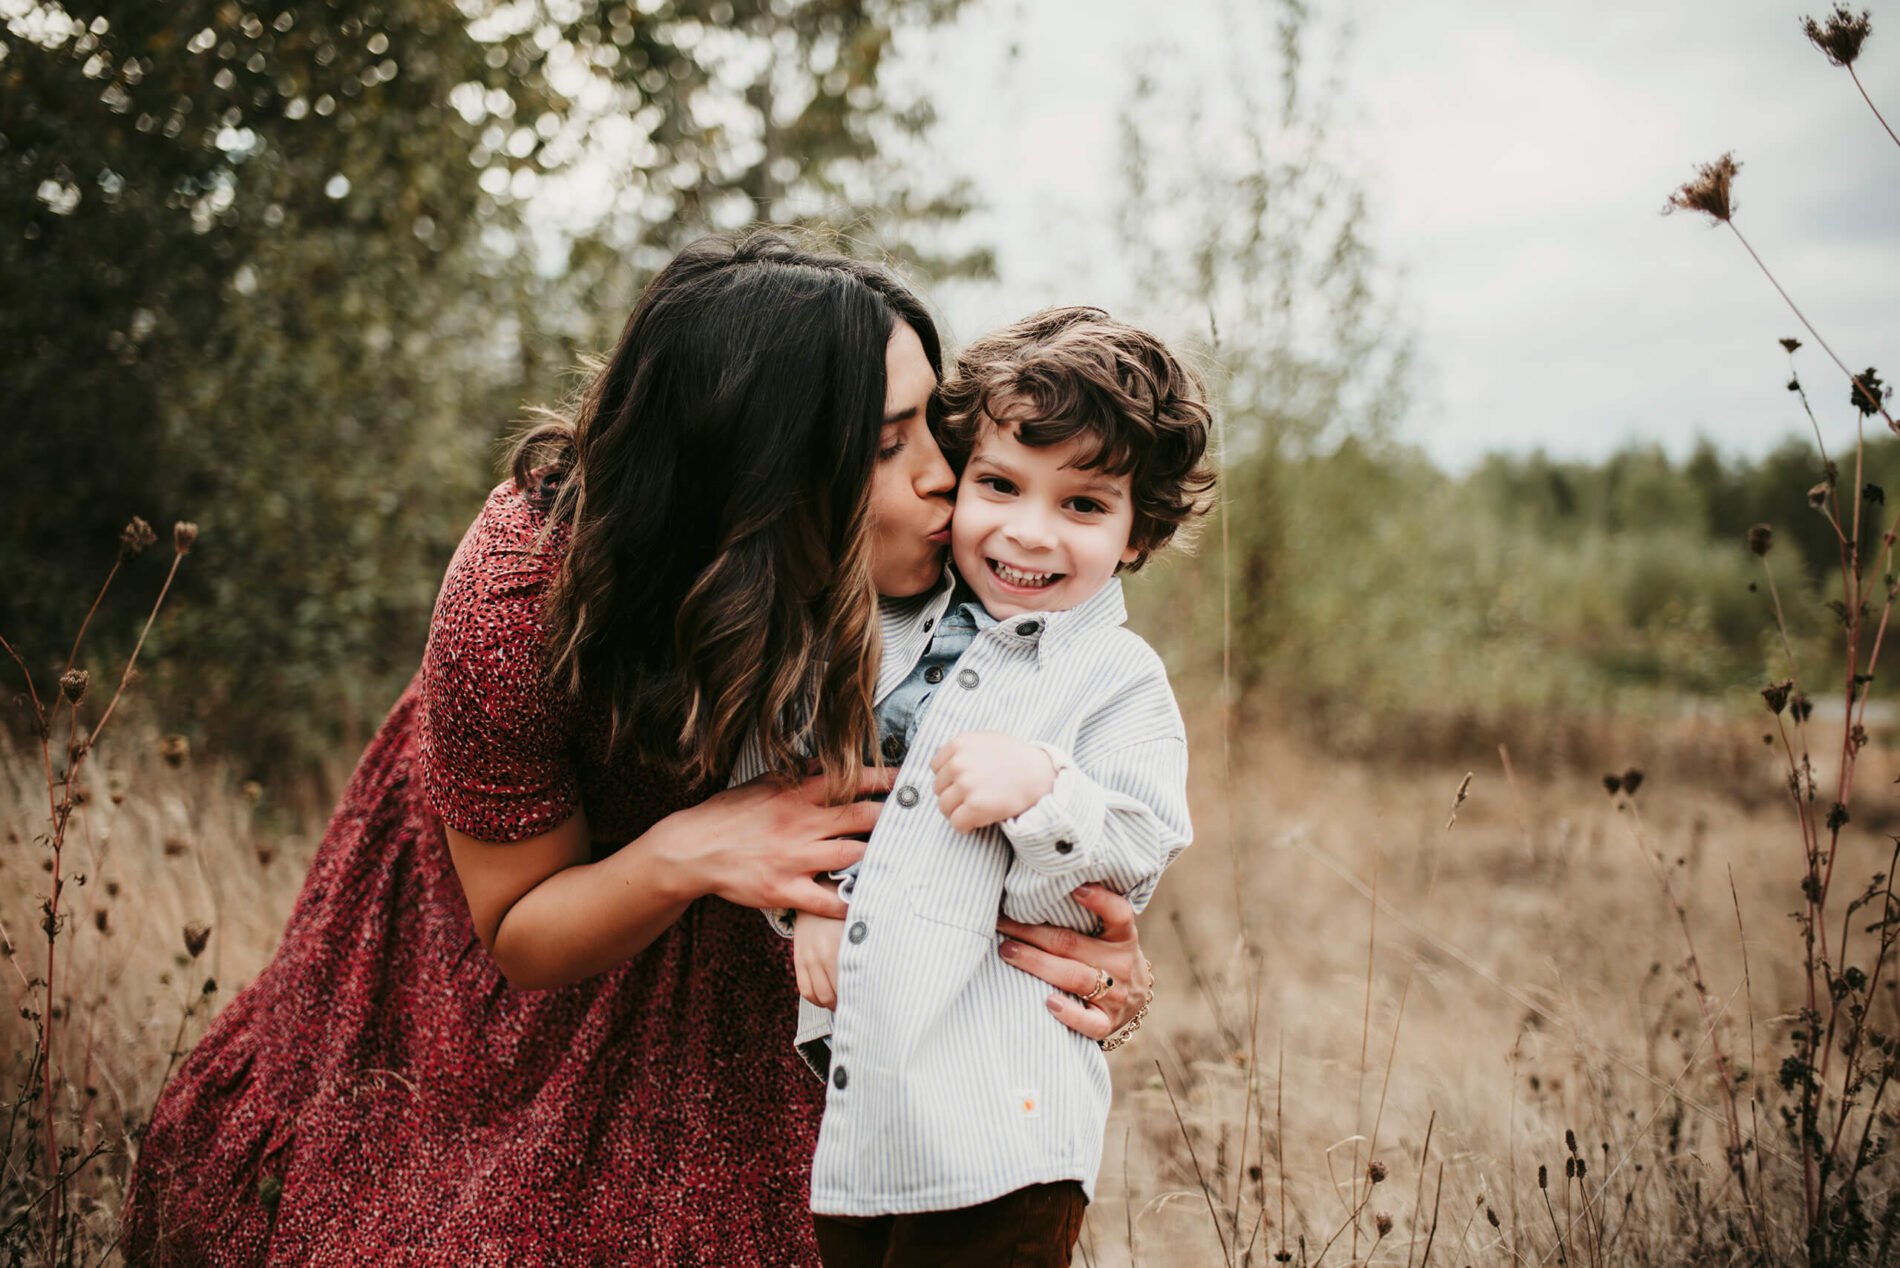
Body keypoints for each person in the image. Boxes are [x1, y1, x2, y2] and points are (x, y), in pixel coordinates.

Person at [121, 233, 1153, 1267]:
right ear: (760, 472)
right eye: (885, 444)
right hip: (540, 911)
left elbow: (1066, 758)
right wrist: (689, 848)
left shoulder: (957, 540)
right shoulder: (518, 598)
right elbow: (518, 926)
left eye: (933, 419)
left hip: (784, 927)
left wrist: (1092, 932)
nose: (945, 474)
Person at [768, 308, 1217, 1267]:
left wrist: (1045, 788)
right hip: (866, 1122)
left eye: (1084, 506)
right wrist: (811, 900)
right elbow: (815, 794)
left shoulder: (1116, 677)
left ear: (1139, 535)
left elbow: (1140, 844)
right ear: (958, 477)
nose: (1028, 532)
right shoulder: (887, 628)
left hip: (1008, 1125)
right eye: (1000, 485)